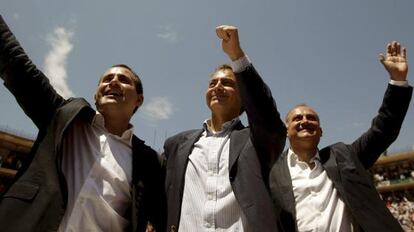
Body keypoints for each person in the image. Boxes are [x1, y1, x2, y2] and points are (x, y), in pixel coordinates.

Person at [0, 15, 166, 231]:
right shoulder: (63, 117)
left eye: (123, 80)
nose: (113, 81)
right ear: (96, 95)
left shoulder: (150, 162)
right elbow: (16, 63)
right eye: (106, 79)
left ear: (139, 100)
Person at [269, 41, 412, 231]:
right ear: (287, 130)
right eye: (297, 118)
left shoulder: (344, 155)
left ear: (320, 131)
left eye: (311, 118)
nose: (304, 120)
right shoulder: (272, 172)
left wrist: (398, 80)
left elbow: (383, 130)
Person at [163, 25, 286, 231]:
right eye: (212, 83)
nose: (217, 87)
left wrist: (236, 55)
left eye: (227, 83)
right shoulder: (176, 145)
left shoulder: (257, 142)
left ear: (244, 98)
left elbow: (268, 117)